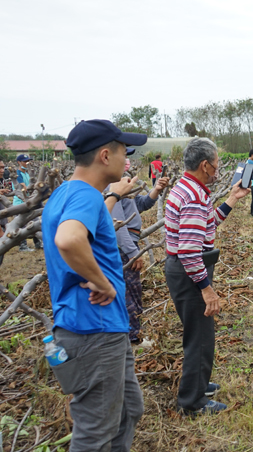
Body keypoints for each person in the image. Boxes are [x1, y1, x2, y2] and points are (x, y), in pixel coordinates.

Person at [41, 119, 147, 451]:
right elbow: (70, 239)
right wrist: (105, 283)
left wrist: (113, 196)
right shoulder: (85, 196)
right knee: (95, 433)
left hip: (94, 328)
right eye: (123, 151)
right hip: (94, 331)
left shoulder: (66, 194)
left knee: (130, 409)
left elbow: (85, 221)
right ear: (104, 155)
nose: (126, 158)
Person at [164, 137, 250, 416]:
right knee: (200, 338)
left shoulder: (189, 188)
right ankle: (192, 402)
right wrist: (206, 288)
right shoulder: (192, 196)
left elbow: (207, 223)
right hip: (190, 272)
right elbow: (189, 251)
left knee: (199, 333)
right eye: (216, 164)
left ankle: (198, 384)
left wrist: (233, 198)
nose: (218, 170)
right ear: (204, 165)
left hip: (184, 270)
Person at [112, 159, 170, 343]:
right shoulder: (112, 188)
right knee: (129, 291)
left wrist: (156, 190)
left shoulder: (123, 184)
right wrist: (132, 252)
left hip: (129, 243)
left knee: (133, 290)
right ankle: (132, 337)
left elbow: (142, 204)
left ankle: (132, 334)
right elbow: (118, 225)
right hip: (124, 247)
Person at [13, 154, 43, 251]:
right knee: (21, 225)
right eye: (25, 162)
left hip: (29, 202)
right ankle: (23, 246)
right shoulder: (17, 174)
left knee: (35, 222)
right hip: (19, 203)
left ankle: (38, 243)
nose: (27, 163)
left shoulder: (27, 174)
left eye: (28, 161)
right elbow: (23, 187)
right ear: (19, 162)